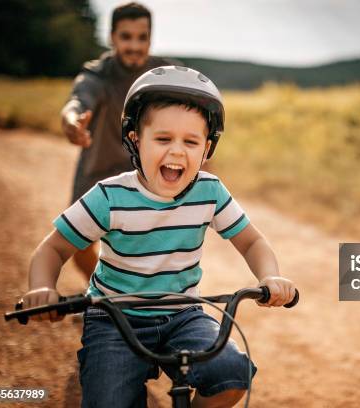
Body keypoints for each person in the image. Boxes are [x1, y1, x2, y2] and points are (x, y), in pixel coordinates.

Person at [22, 66, 297, 408]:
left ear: (207, 148)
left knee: (231, 373)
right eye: (163, 139)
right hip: (114, 317)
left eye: (191, 141)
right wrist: (42, 286)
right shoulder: (110, 196)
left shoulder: (210, 192)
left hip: (184, 314)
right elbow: (54, 248)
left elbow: (252, 241)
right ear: (136, 139)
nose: (177, 151)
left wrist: (269, 275)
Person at [61, 2, 176, 281]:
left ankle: (140, 302)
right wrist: (71, 121)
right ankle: (106, 295)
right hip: (97, 172)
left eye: (142, 37)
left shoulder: (165, 73)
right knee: (79, 246)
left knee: (154, 246)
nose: (135, 46)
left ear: (151, 37)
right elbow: (78, 101)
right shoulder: (98, 74)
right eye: (126, 37)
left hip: (147, 174)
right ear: (112, 37)